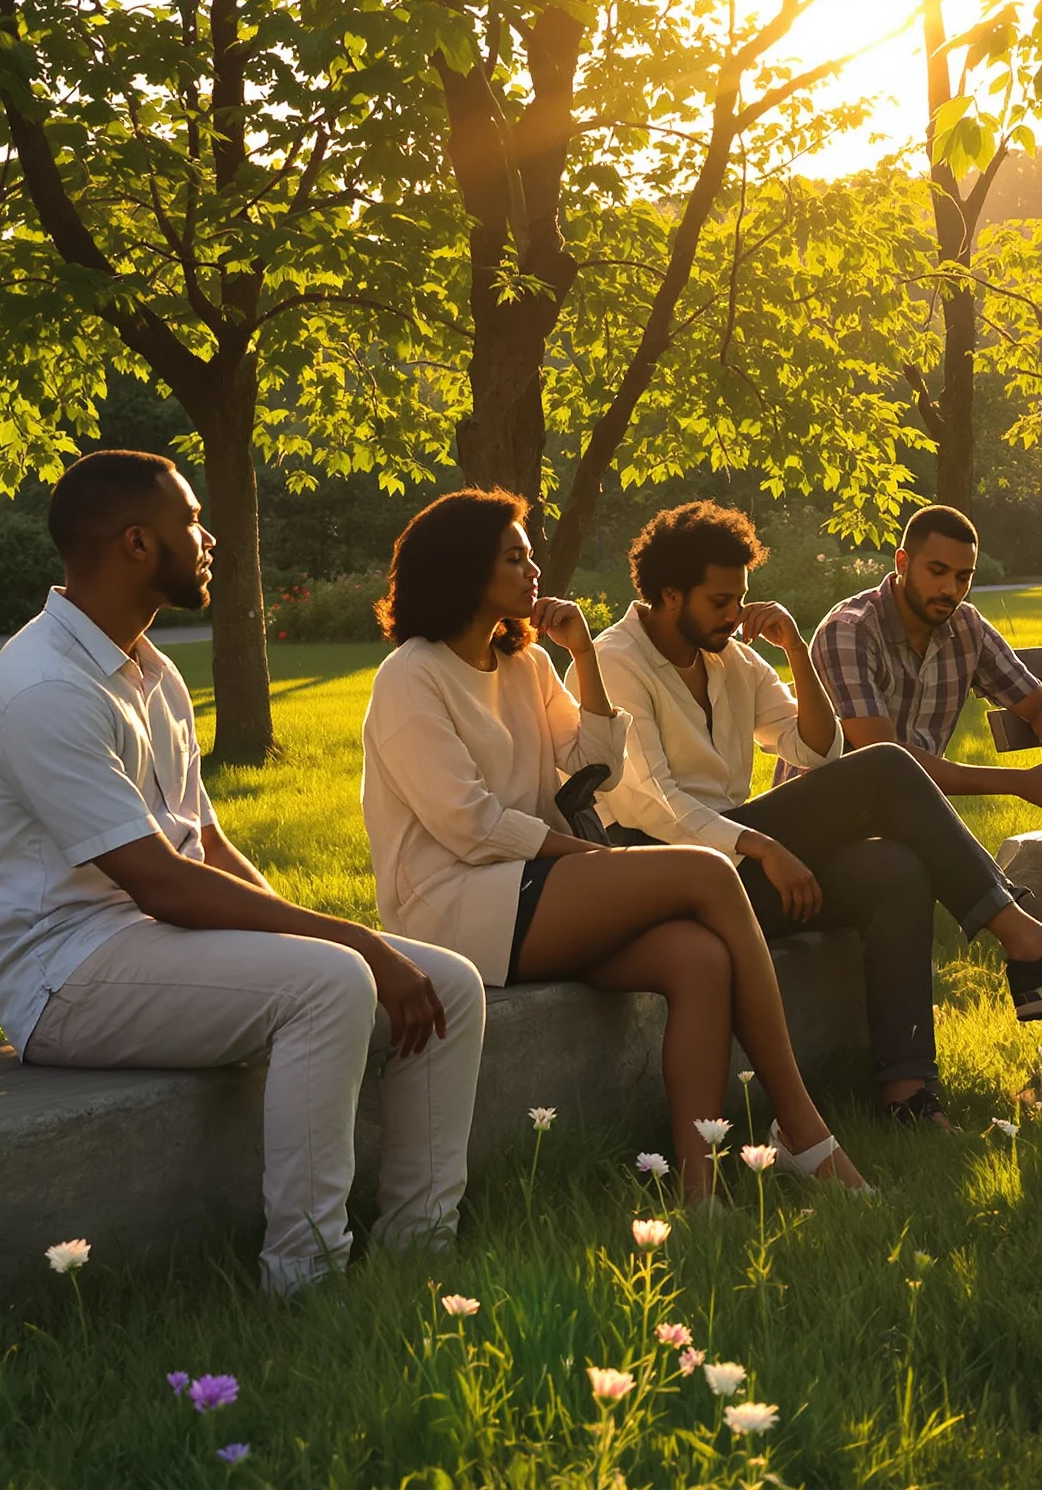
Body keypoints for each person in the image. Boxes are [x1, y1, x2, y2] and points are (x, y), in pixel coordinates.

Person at [0, 450, 487, 1296]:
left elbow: (203, 841)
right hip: (65, 977)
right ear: (137, 543)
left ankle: (420, 1252)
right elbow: (163, 882)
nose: (210, 540)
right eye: (192, 521)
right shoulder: (45, 687)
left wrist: (322, 938)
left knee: (449, 983)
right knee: (330, 984)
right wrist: (350, 944)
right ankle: (305, 1278)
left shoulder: (149, 669)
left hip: (148, 943)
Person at [360, 488, 868, 1199]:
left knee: (698, 959)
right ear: (463, 569)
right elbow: (469, 827)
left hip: (534, 892)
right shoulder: (411, 675)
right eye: (514, 558)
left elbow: (596, 765)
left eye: (530, 557)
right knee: (707, 873)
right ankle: (801, 1124)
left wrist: (582, 654)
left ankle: (700, 1193)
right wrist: (596, 860)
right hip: (455, 907)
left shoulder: (526, 666)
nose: (534, 571)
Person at [591, 500, 1042, 1130]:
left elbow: (815, 749)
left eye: (741, 599)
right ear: (670, 594)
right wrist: (764, 847)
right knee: (888, 764)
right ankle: (1031, 946)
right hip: (670, 876)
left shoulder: (732, 657)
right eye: (721, 601)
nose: (735, 614)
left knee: (895, 870)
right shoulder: (616, 660)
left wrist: (796, 651)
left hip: (742, 864)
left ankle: (908, 1095)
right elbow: (655, 803)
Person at [797, 503, 1042, 827]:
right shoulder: (849, 630)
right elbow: (885, 754)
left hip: (911, 814)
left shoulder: (966, 627)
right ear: (902, 563)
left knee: (967, 860)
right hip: (826, 818)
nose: (950, 589)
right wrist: (1021, 782)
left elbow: (1040, 705)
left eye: (963, 577)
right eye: (937, 571)